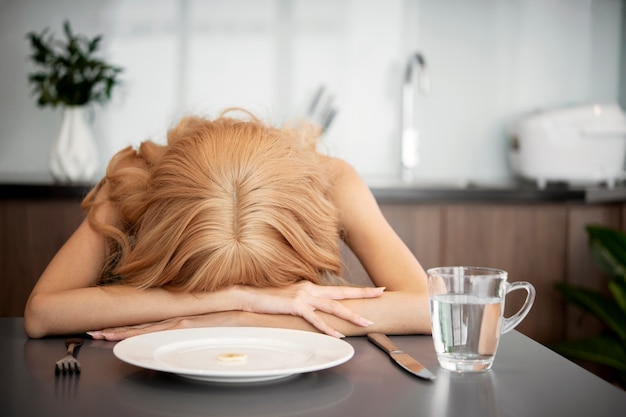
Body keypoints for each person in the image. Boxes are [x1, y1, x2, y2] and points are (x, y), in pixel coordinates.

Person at [24, 109, 431, 340]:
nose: (249, 294)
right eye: (204, 286)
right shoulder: (135, 180)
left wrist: (238, 317)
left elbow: (429, 309)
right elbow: (42, 313)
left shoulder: (334, 180)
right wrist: (238, 299)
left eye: (265, 285)